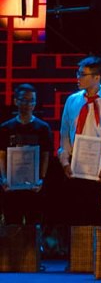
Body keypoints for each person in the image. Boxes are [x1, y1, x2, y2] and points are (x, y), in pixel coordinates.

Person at [59, 56, 101, 225]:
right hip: (74, 168)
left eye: (82, 74)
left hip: (98, 170)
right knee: (74, 217)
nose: (78, 77)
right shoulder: (72, 100)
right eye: (78, 73)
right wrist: (65, 162)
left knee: (95, 217)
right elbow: (65, 134)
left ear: (96, 77)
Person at [0, 84, 53, 225]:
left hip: (33, 187)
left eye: (32, 101)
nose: (28, 104)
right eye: (24, 100)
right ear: (16, 101)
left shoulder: (43, 128)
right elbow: (2, 155)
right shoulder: (5, 128)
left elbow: (45, 156)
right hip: (11, 187)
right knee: (12, 226)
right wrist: (4, 178)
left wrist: (41, 179)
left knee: (33, 226)